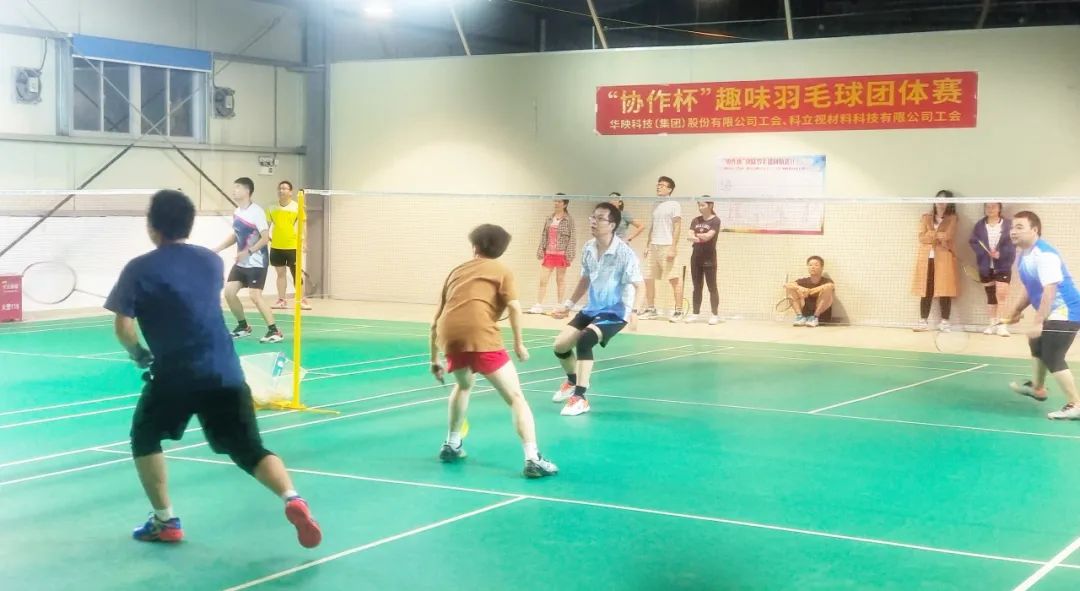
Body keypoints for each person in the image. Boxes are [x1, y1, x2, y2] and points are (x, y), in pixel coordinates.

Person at [104, 189, 321, 547]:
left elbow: (123, 328)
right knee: (249, 449)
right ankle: (292, 497)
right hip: (225, 373)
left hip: (175, 377)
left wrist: (139, 354)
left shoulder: (138, 269)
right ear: (189, 224)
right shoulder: (209, 262)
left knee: (145, 436)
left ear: (152, 225)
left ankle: (165, 521)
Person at [430, 224, 558, 478]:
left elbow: (437, 319)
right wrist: (519, 344)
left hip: (450, 337)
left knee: (463, 386)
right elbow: (514, 308)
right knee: (516, 398)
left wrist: (434, 358)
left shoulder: (457, 271)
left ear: (474, 247)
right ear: (501, 250)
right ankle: (533, 458)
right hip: (481, 336)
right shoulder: (502, 271)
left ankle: (452, 444)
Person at [550, 202, 645, 417]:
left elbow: (641, 285)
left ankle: (580, 398)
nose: (594, 221)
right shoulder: (588, 248)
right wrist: (568, 305)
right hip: (592, 308)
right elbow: (585, 279)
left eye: (600, 218)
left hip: (616, 312)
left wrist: (635, 312)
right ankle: (573, 381)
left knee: (585, 340)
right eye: (593, 217)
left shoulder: (624, 253)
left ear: (612, 225)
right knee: (560, 346)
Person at [1003, 211, 1080, 420]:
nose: (1013, 231)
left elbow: (1049, 290)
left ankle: (1076, 404)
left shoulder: (1045, 255)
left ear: (1034, 230)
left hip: (1067, 311)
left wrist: (1038, 322)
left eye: (1020, 227)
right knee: (1037, 343)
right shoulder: (1023, 255)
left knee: (1053, 355)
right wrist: (1016, 311)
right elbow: (1030, 288)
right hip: (1054, 311)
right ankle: (1038, 388)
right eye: (1012, 227)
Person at [214, 177, 283, 343]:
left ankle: (274, 331)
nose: (234, 190)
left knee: (255, 296)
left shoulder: (257, 212)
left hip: (257, 262)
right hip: (241, 263)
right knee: (229, 293)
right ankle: (243, 327)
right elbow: (235, 235)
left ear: (247, 191)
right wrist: (218, 248)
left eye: (238, 187)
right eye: (234, 187)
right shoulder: (237, 212)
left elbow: (265, 238)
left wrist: (249, 252)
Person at [912, 193, 959, 332]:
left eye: (944, 200)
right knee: (926, 289)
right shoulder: (926, 217)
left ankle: (945, 322)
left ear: (949, 203)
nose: (941, 202)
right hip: (927, 259)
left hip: (944, 258)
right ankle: (923, 321)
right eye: (938, 199)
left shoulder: (952, 218)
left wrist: (931, 234)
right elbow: (922, 238)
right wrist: (938, 236)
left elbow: (948, 235)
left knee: (945, 289)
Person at [639, 176, 684, 321]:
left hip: (667, 245)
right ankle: (651, 309)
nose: (658, 187)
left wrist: (673, 247)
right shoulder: (655, 204)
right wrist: (647, 245)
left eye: (662, 185)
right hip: (653, 246)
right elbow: (653, 226)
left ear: (669, 189)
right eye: (658, 185)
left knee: (674, 279)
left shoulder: (674, 204)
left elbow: (677, 226)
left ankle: (679, 311)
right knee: (648, 278)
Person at [970, 202, 1015, 336]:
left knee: (1001, 295)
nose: (990, 209)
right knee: (990, 296)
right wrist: (984, 253)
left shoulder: (1008, 225)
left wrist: (1001, 254)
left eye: (993, 206)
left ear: (1000, 208)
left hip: (1003, 266)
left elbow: (1013, 243)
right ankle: (991, 324)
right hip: (985, 266)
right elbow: (973, 242)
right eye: (988, 207)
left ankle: (1002, 326)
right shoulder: (979, 225)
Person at [267, 180, 311, 311]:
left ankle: (301, 300)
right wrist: (265, 237)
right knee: (280, 274)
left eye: (285, 188)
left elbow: (303, 226)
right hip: (276, 246)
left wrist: (304, 242)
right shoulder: (271, 207)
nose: (282, 190)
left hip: (293, 246)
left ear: (290, 192)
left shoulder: (297, 207)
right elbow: (267, 226)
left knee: (297, 275)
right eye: (280, 188)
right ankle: (282, 300)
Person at [529, 195, 575, 314]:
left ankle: (559, 305)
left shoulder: (569, 220)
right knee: (543, 280)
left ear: (565, 204)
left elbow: (572, 238)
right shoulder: (549, 218)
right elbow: (544, 235)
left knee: (560, 280)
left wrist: (570, 254)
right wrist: (541, 250)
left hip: (562, 254)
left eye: (559, 201)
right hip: (549, 253)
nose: (556, 203)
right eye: (555, 201)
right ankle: (538, 305)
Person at [682, 197, 721, 325]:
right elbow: (689, 236)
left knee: (712, 287)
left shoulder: (715, 220)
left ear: (710, 205)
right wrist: (700, 237)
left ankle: (714, 314)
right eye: (699, 205)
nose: (700, 207)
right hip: (696, 257)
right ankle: (695, 314)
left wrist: (696, 236)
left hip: (709, 258)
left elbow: (709, 236)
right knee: (697, 287)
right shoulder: (696, 220)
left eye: (702, 205)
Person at [784, 256, 835, 327]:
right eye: (810, 265)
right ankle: (800, 317)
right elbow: (786, 285)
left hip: (821, 316)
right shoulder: (804, 281)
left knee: (827, 289)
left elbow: (831, 286)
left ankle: (815, 317)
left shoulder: (826, 281)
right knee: (791, 288)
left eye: (816, 265)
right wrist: (799, 288)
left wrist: (810, 291)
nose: (812, 267)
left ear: (822, 268)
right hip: (805, 315)